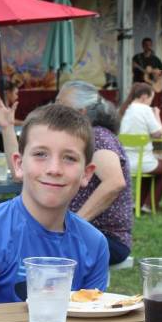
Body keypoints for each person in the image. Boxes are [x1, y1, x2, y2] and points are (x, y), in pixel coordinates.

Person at [0, 104, 109, 306]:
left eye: (69, 158)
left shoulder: (94, 244)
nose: (54, 169)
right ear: (18, 164)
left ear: (86, 174)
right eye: (40, 154)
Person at [57, 81, 134, 266]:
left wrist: (72, 224)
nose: (54, 110)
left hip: (106, 238)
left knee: (34, 250)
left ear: (81, 112)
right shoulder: (84, 137)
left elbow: (115, 182)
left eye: (60, 105)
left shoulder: (96, 136)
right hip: (90, 233)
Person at [118, 82, 162, 211]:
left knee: (150, 169)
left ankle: (139, 203)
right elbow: (158, 134)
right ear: (144, 96)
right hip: (142, 161)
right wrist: (157, 114)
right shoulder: (145, 109)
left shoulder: (125, 109)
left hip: (126, 162)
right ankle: (150, 205)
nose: (151, 102)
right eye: (151, 99)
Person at [0, 80, 23, 152]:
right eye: (16, 93)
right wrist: (24, 122)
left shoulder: (5, 108)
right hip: (0, 137)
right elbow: (9, 121)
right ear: (8, 93)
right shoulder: (2, 109)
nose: (17, 97)